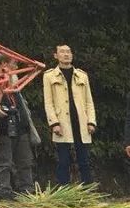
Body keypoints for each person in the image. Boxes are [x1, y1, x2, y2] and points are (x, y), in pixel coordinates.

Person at [0, 54, 41, 199]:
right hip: (2, 130)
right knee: (3, 163)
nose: (17, 68)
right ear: (4, 64)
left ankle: (27, 192)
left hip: (21, 128)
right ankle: (4, 195)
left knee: (25, 162)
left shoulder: (15, 80)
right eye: (14, 64)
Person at [40, 44, 96, 185]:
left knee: (84, 160)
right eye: (62, 52)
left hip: (80, 121)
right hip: (62, 122)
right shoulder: (49, 76)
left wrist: (91, 121)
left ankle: (88, 191)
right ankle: (63, 190)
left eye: (68, 52)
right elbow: (48, 102)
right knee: (63, 160)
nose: (66, 54)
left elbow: (89, 101)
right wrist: (54, 123)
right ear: (56, 55)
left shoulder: (82, 75)